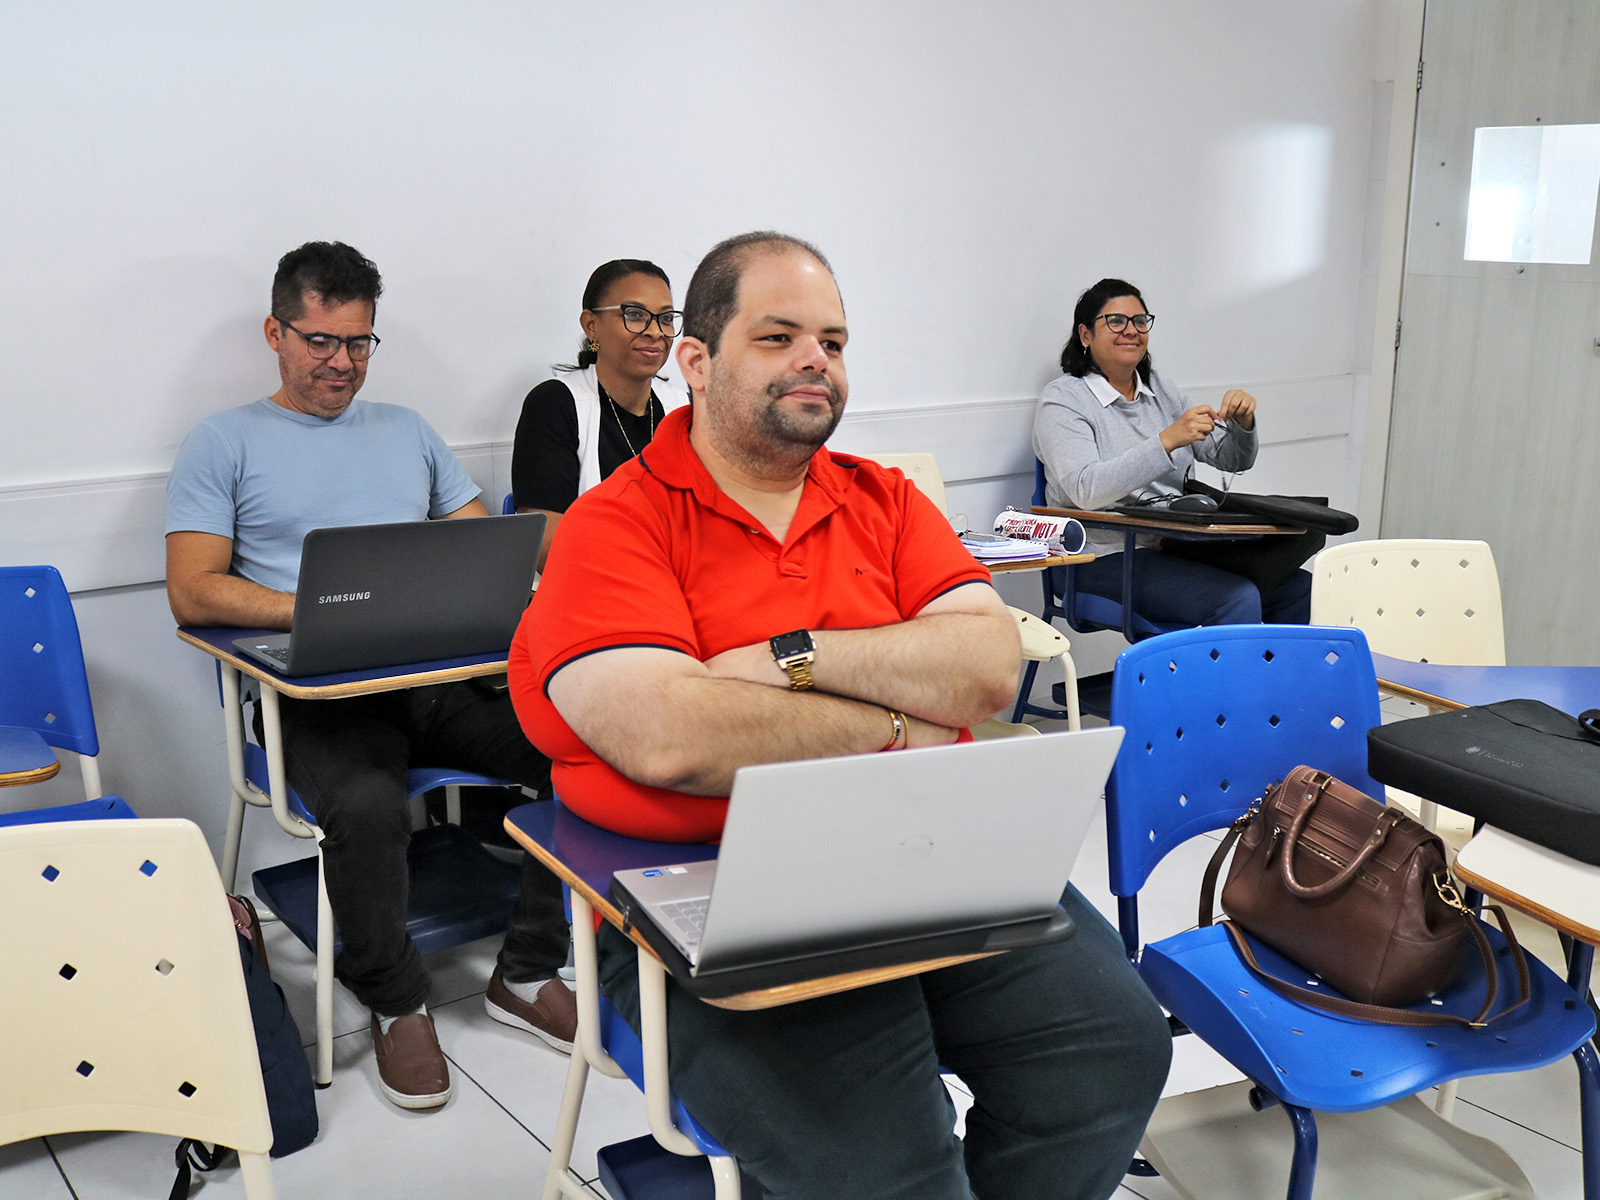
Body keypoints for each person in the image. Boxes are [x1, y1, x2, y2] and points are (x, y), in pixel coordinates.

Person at [511, 233, 1171, 1198]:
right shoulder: (616, 523)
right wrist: (893, 723)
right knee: (886, 1164)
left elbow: (988, 668)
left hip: (924, 854)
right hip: (714, 890)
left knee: (1113, 1049)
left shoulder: (884, 500)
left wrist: (795, 658)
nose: (815, 359)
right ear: (697, 361)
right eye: (777, 337)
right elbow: (668, 735)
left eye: (833, 340)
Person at [164, 241, 575, 1112]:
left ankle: (528, 971)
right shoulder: (223, 440)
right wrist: (320, 610)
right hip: (316, 695)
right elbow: (193, 590)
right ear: (275, 333)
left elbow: (481, 550)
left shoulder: (407, 431)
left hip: (434, 682)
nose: (341, 362)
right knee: (364, 802)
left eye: (358, 342)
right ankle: (396, 999)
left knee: (575, 753)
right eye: (320, 341)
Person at [1032, 277, 1312, 625]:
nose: (1131, 330)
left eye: (1139, 321)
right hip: (1096, 558)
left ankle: (1269, 666)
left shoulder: (1162, 392)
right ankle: (1235, 665)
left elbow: (1232, 460)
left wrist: (1244, 424)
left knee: (1301, 588)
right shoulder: (1063, 400)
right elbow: (1085, 490)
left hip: (1175, 546)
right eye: (1115, 321)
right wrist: (1165, 441)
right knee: (1235, 598)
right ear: (1085, 335)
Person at [510, 258, 689, 567]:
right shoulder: (555, 404)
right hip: (587, 581)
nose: (655, 331)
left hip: (676, 579)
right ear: (591, 325)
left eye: (666, 318)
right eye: (635, 315)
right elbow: (545, 543)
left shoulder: (683, 408)